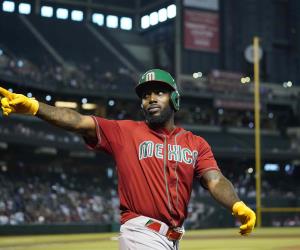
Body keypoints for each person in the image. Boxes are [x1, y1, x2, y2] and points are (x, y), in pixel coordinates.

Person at [0, 69, 256, 250]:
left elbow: (215, 179)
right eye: (146, 95)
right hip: (141, 233)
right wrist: (35, 107)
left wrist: (237, 205)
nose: (151, 98)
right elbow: (77, 121)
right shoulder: (124, 132)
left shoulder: (196, 143)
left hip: (172, 239)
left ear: (175, 98)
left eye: (159, 92)